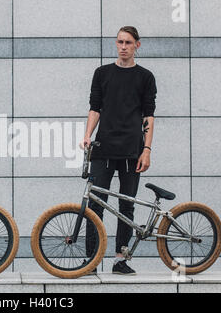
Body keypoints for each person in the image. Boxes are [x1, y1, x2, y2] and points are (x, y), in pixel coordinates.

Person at [81, 26, 156, 275]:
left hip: (131, 150)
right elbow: (95, 108)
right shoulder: (102, 73)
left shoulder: (145, 77)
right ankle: (91, 259)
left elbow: (148, 116)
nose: (123, 47)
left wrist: (147, 150)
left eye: (128, 43)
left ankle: (120, 260)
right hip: (103, 149)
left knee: (126, 207)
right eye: (120, 42)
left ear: (137, 45)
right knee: (95, 204)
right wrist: (86, 135)